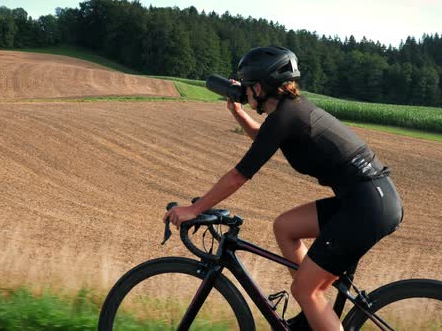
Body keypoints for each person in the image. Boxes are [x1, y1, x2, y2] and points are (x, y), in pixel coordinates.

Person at [163, 46, 403, 330]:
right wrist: (238, 111)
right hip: (367, 200)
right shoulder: (290, 114)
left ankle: (312, 299)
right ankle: (316, 312)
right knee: (285, 227)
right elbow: (264, 139)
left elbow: (239, 175)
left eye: (248, 87)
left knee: (305, 290)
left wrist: (195, 208)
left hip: (367, 207)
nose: (246, 92)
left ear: (260, 87)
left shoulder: (286, 117)